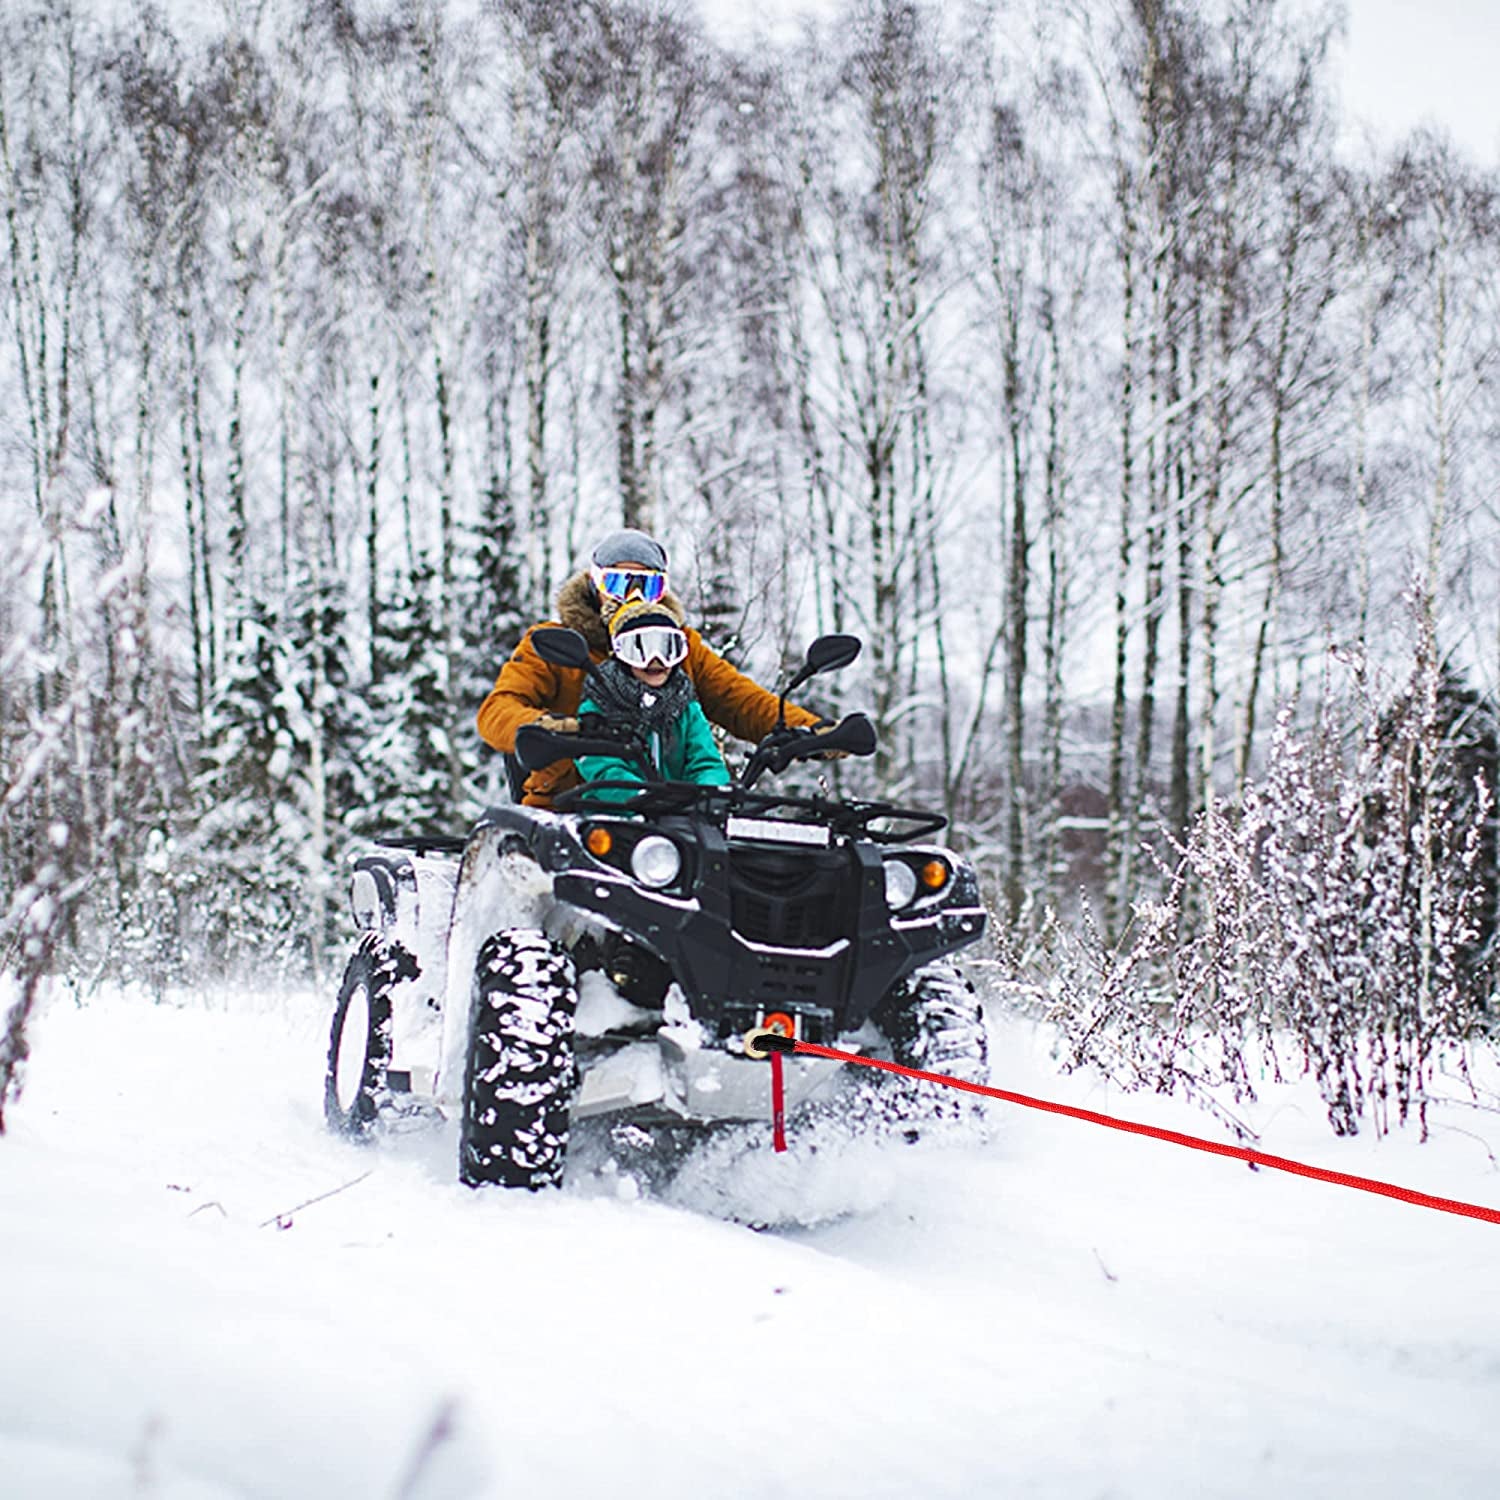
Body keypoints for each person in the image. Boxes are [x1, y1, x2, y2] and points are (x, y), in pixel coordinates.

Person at [477, 527, 823, 806]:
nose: (633, 596)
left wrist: (814, 732)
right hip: (567, 806)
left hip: (673, 812)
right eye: (619, 583)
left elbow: (741, 701)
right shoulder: (557, 645)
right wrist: (563, 728)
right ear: (595, 586)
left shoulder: (679, 647)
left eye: (649, 586)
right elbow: (497, 712)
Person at [571, 597, 731, 803]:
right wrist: (640, 797)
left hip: (681, 819)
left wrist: (707, 796)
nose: (655, 660)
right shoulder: (600, 705)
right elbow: (602, 766)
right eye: (640, 650)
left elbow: (706, 762)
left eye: (667, 650)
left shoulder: (685, 707)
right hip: (615, 817)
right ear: (620, 654)